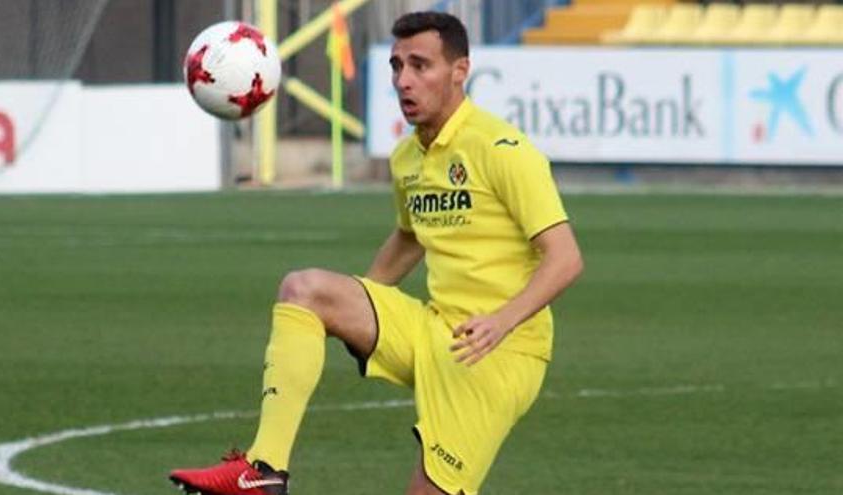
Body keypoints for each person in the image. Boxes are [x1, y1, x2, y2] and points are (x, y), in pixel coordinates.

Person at [169, 11, 583, 495]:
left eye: (420, 66)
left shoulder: (501, 148)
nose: (403, 81)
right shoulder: (408, 155)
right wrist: (358, 304)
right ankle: (263, 472)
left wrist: (502, 321)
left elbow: (565, 258)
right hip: (431, 327)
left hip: (493, 353)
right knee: (306, 291)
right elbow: (410, 236)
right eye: (396, 66)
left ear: (459, 71)